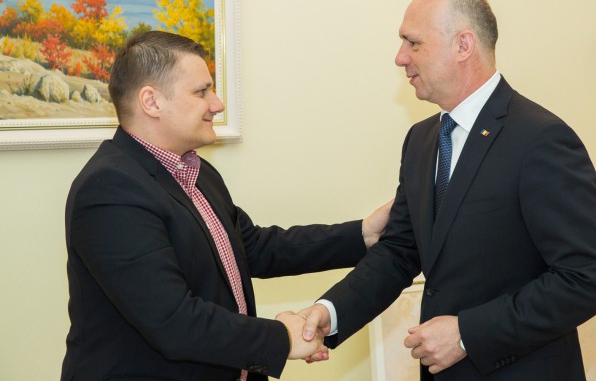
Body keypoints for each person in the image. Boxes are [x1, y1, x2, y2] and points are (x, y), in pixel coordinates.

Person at [298, 0, 596, 380]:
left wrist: (468, 333)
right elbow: (399, 250)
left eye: (413, 43)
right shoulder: (421, 139)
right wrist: (331, 312)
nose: (400, 57)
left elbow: (587, 278)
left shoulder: (540, 139)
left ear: (463, 45)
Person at [61, 30, 392, 381]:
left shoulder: (196, 170)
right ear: (152, 102)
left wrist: (363, 234)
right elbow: (173, 321)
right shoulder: (110, 189)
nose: (217, 104)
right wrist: (282, 339)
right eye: (202, 92)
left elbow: (254, 248)